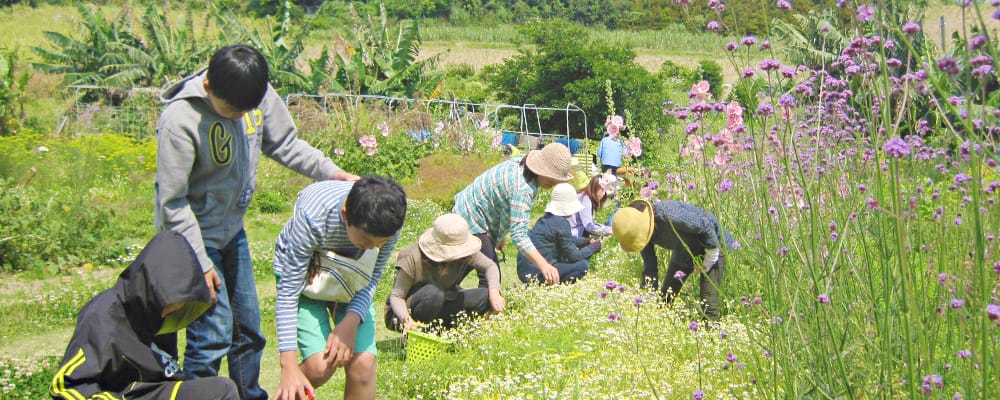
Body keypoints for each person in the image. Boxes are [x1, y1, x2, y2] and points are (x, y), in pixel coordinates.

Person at [154, 45, 358, 399]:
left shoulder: (254, 93)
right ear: (208, 89)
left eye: (245, 112)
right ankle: (197, 394)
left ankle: (247, 394)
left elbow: (286, 144)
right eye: (230, 111)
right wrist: (199, 264)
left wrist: (332, 173)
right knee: (211, 335)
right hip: (193, 240)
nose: (238, 118)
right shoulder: (181, 119)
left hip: (232, 233)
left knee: (248, 329)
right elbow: (172, 202)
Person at [50, 231, 239, 400]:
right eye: (170, 305)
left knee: (223, 389)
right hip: (123, 394)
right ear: (152, 286)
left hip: (152, 390)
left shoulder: (156, 313)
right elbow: (65, 387)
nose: (172, 311)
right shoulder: (102, 318)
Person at [272, 177, 406, 400]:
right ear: (345, 215)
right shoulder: (313, 215)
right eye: (365, 241)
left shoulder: (388, 224)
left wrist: (350, 323)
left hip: (352, 283)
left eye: (381, 243)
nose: (374, 248)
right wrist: (288, 367)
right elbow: (288, 292)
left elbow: (370, 279)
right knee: (318, 366)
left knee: (363, 365)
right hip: (307, 283)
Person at [453, 142, 575, 286]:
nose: (553, 183)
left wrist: (500, 234)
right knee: (490, 275)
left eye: (556, 180)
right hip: (472, 218)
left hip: (470, 210)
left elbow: (501, 198)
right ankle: (483, 306)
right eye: (551, 178)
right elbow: (519, 235)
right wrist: (544, 265)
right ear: (541, 169)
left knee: (462, 266)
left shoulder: (524, 165)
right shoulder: (523, 188)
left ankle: (445, 296)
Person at [611, 199, 735, 321]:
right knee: (665, 297)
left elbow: (705, 225)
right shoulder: (640, 237)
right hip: (683, 251)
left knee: (708, 299)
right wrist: (648, 293)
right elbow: (650, 267)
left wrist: (709, 259)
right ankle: (659, 324)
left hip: (714, 244)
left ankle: (711, 335)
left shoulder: (668, 214)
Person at [385, 213, 507, 332]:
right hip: (407, 311)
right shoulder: (412, 256)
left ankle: (446, 329)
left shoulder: (466, 253)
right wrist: (406, 320)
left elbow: (490, 266)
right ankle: (418, 333)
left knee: (485, 295)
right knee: (433, 294)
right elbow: (397, 296)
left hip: (446, 300)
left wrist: (494, 292)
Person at [517, 183, 603, 284]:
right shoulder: (561, 222)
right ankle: (553, 285)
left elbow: (566, 239)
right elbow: (574, 256)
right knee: (582, 266)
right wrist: (593, 248)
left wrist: (585, 241)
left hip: (525, 271)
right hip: (538, 272)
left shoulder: (546, 218)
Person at [569, 174, 616, 238]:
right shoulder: (585, 199)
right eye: (602, 189)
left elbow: (589, 222)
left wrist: (608, 229)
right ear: (595, 187)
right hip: (574, 235)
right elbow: (589, 226)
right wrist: (609, 231)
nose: (604, 193)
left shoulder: (583, 195)